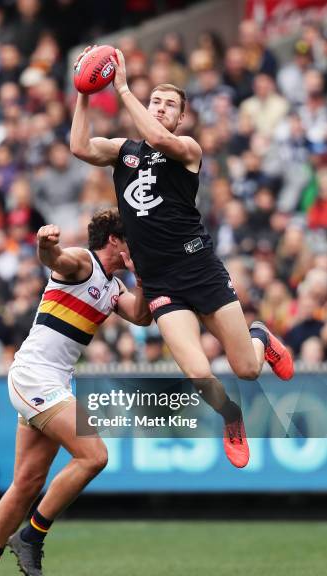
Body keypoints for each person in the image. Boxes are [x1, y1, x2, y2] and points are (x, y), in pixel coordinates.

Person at [70, 47, 294, 471]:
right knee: (196, 372)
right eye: (155, 100)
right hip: (160, 281)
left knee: (247, 368)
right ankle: (231, 415)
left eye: (169, 105)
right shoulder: (125, 151)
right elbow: (80, 146)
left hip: (200, 269)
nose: (160, 108)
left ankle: (260, 335)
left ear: (180, 118)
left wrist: (121, 88)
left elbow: (158, 140)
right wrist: (84, 89)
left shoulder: (185, 147)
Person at [0, 209, 152, 576]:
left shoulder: (114, 286)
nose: (138, 243)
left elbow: (142, 316)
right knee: (94, 456)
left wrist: (142, 274)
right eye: (133, 237)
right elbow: (56, 260)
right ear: (114, 239)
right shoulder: (83, 261)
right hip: (35, 375)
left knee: (27, 483)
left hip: (53, 380)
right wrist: (46, 244)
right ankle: (32, 535)